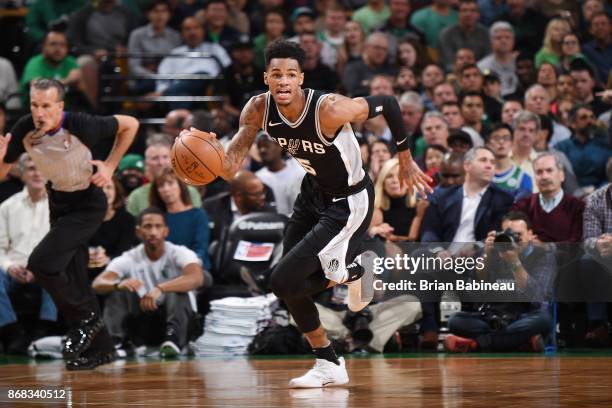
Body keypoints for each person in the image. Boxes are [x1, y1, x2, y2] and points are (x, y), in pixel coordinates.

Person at [184, 39, 430, 388]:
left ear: (300, 78)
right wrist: (205, 154)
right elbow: (228, 167)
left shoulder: (328, 108)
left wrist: (405, 158)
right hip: (311, 194)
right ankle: (328, 362)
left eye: (290, 75)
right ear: (266, 77)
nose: (283, 81)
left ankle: (352, 271)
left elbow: (389, 103)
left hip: (349, 201)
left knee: (282, 281)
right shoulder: (256, 109)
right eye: (276, 75)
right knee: (289, 287)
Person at [0, 78, 138, 369]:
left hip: (88, 203)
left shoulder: (82, 124)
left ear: (59, 106)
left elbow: (131, 124)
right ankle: (102, 350)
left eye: (46, 106)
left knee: (41, 263)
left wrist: (111, 165)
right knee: (75, 277)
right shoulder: (25, 127)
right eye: (35, 105)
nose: (40, 112)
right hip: (58, 202)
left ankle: (85, 320)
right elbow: (2, 173)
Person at [92, 207, 211, 358]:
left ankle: (173, 341)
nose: (153, 232)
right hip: (145, 319)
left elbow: (197, 277)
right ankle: (117, 342)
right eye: (148, 226)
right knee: (117, 290)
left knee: (177, 289)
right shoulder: (129, 257)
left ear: (166, 231)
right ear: (138, 232)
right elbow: (97, 283)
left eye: (158, 226)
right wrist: (117, 284)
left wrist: (161, 288)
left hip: (180, 321)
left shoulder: (180, 253)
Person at [445, 211, 555, 352]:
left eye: (518, 235)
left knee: (543, 320)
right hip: (491, 317)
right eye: (508, 235)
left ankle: (477, 344)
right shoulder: (492, 252)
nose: (513, 240)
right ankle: (521, 343)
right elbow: (477, 287)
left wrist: (514, 262)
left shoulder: (543, 256)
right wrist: (487, 255)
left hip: (524, 315)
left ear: (530, 234)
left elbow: (535, 295)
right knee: (455, 320)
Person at [0, 153, 55, 354]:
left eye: (41, 168)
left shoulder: (59, 206)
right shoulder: (6, 207)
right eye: (31, 168)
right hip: (12, 269)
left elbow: (61, 247)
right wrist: (9, 267)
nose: (37, 173)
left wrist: (37, 266)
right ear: (22, 174)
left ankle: (44, 332)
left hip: (44, 269)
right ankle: (11, 332)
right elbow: (0, 248)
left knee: (58, 269)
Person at [149, 168, 211, 270]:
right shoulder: (156, 218)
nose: (166, 189)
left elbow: (201, 248)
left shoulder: (198, 215)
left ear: (180, 186)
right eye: (161, 186)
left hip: (194, 268)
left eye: (170, 183)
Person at [87, 176, 136, 282]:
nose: (104, 191)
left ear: (116, 192)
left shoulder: (127, 219)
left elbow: (125, 252)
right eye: (100, 187)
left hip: (116, 273)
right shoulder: (83, 219)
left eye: (109, 187)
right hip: (85, 271)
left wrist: (108, 259)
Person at [255, 132, 305, 216]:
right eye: (259, 147)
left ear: (280, 147)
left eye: (266, 146)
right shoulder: (257, 178)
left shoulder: (299, 173)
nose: (262, 150)